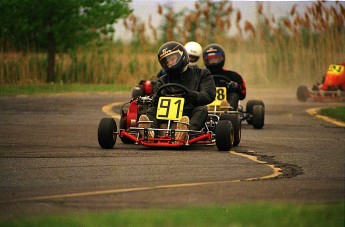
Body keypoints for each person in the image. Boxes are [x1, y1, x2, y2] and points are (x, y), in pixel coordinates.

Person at [138, 41, 216, 140]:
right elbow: (155, 102)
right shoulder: (163, 80)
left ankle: (186, 132)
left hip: (189, 113)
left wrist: (193, 96)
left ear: (182, 56)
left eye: (172, 59)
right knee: (151, 110)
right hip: (165, 115)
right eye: (167, 61)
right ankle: (150, 132)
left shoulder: (202, 74)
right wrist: (156, 98)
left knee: (201, 109)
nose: (170, 63)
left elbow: (209, 94)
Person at [202, 43, 246, 110]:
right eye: (211, 59)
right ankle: (207, 109)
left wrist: (235, 86)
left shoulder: (233, 75)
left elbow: (243, 93)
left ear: (221, 58)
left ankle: (228, 110)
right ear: (206, 60)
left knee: (234, 95)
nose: (213, 61)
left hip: (226, 103)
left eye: (215, 59)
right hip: (205, 103)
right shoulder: (201, 75)